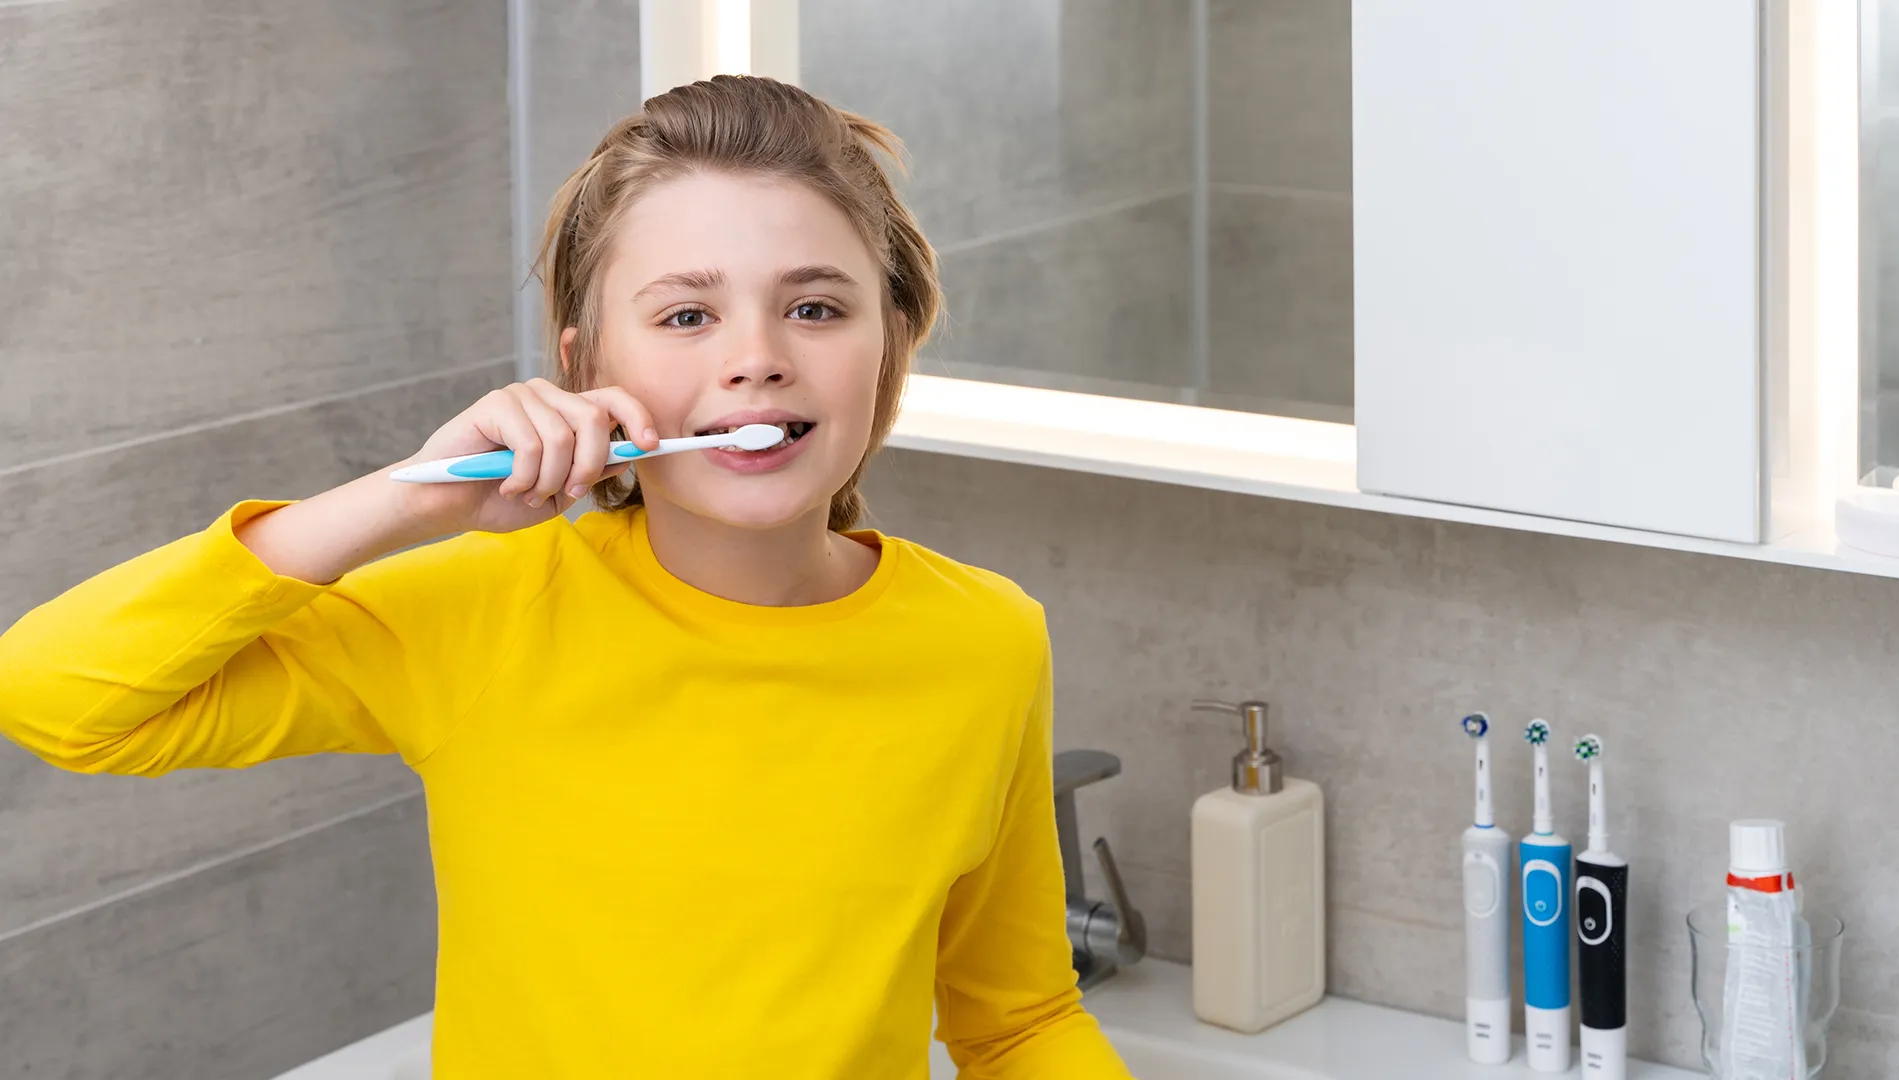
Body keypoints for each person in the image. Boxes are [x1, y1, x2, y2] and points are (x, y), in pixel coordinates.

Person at [0, 76, 1132, 1078]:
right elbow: (54, 698)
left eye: (817, 307)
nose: (757, 354)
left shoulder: (985, 638)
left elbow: (1018, 1021)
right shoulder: (483, 610)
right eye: (687, 314)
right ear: (589, 369)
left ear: (890, 344)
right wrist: (407, 496)